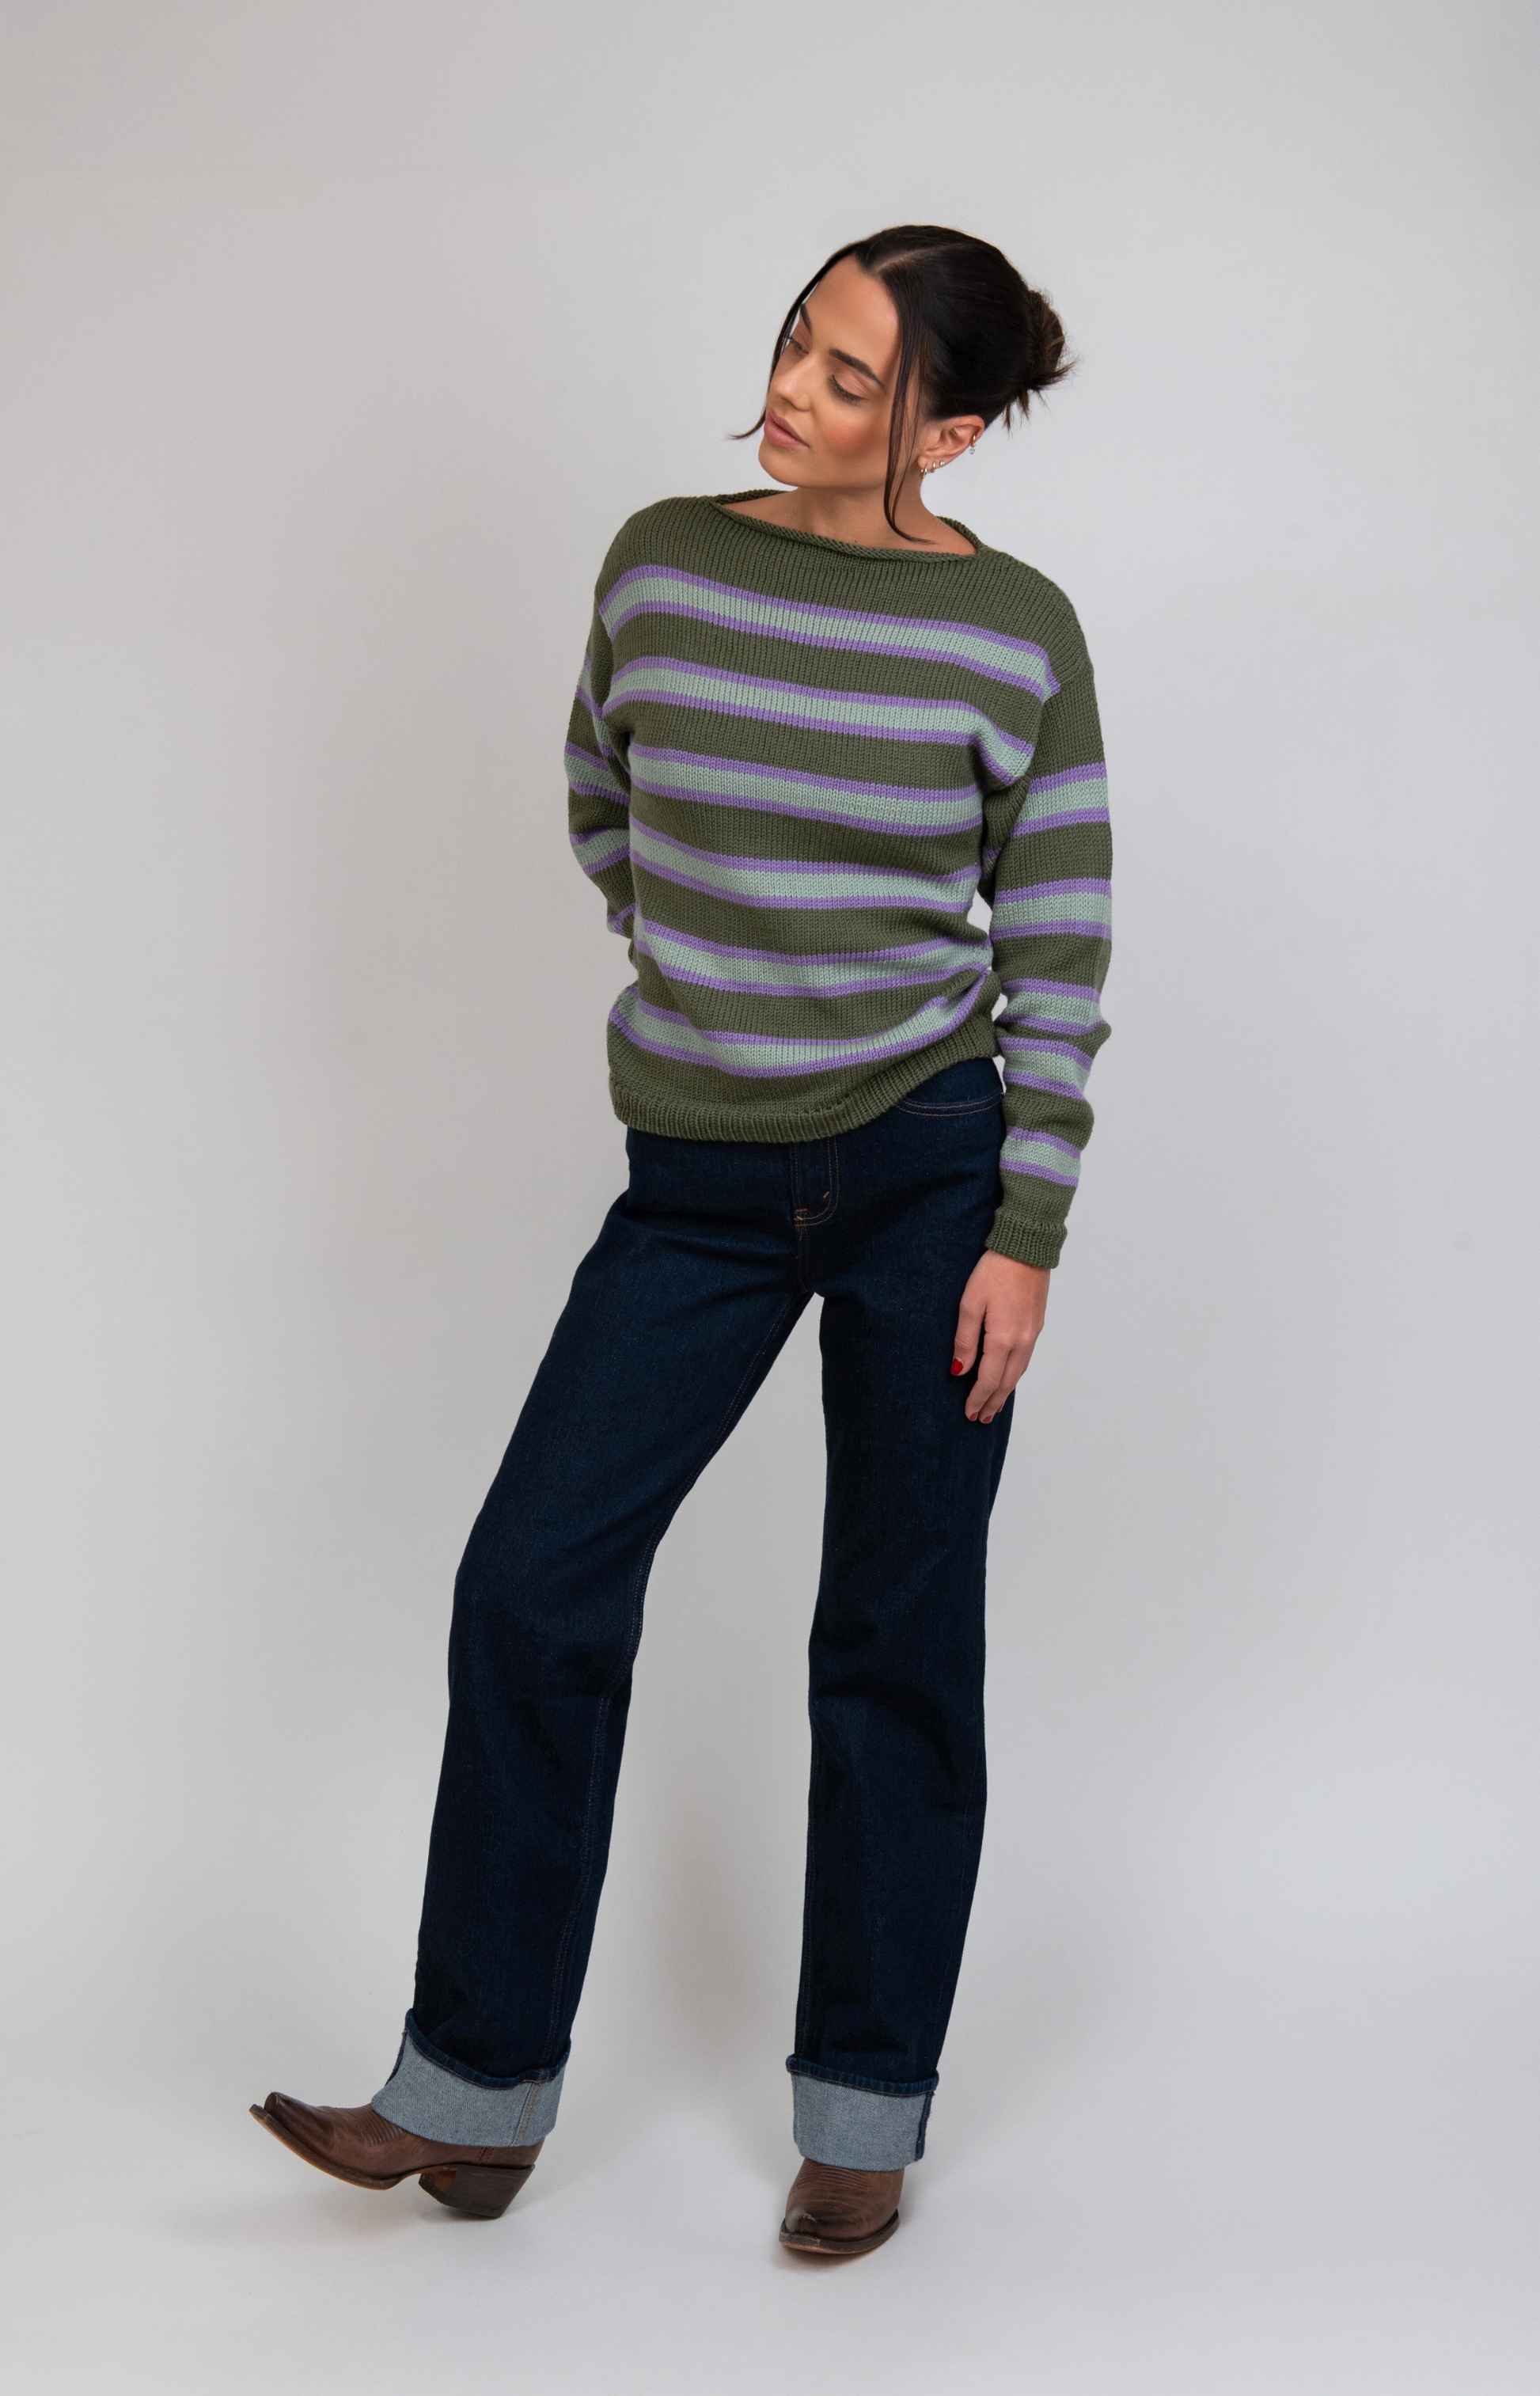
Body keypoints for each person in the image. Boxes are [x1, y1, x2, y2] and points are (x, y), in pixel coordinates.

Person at [252, 223, 1113, 2259]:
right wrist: (710, 975)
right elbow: (603, 798)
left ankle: (862, 2112)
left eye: (852, 376)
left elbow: (1057, 933)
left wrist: (1027, 1223)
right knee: (533, 1582)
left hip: (931, 1170)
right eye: (799, 342)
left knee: (896, 1632)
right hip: (698, 1179)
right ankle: (470, 2091)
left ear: (949, 432)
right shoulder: (662, 562)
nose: (793, 392)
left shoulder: (1017, 633)